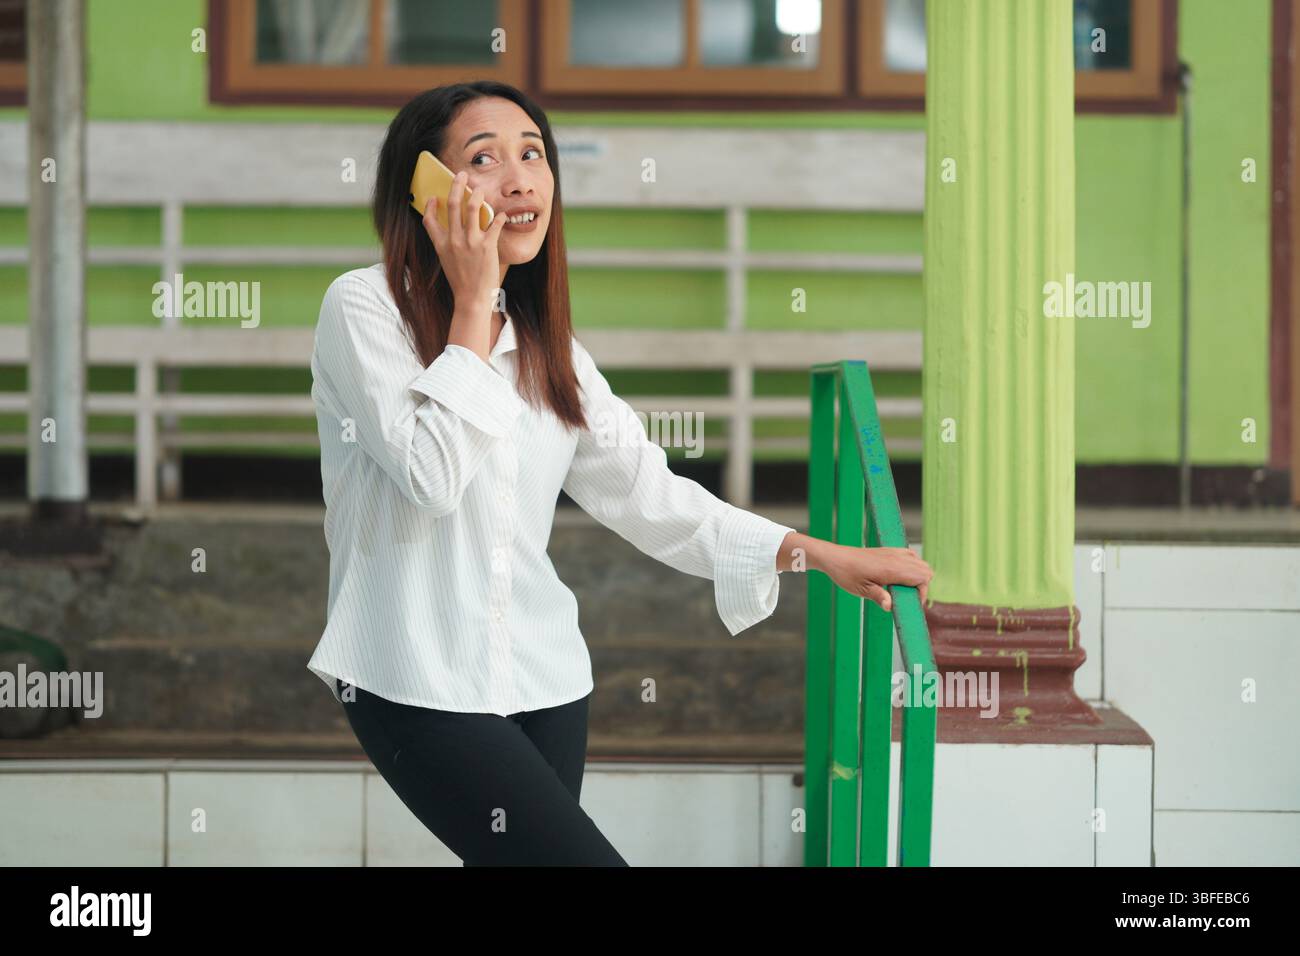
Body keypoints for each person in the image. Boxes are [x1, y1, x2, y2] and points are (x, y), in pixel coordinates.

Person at [306, 81, 933, 866]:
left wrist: (818, 552)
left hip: (547, 679)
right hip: (412, 677)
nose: (520, 179)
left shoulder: (549, 350)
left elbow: (647, 491)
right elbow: (430, 474)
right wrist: (472, 302)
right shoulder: (363, 309)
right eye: (484, 158)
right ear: (426, 187)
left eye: (533, 154)